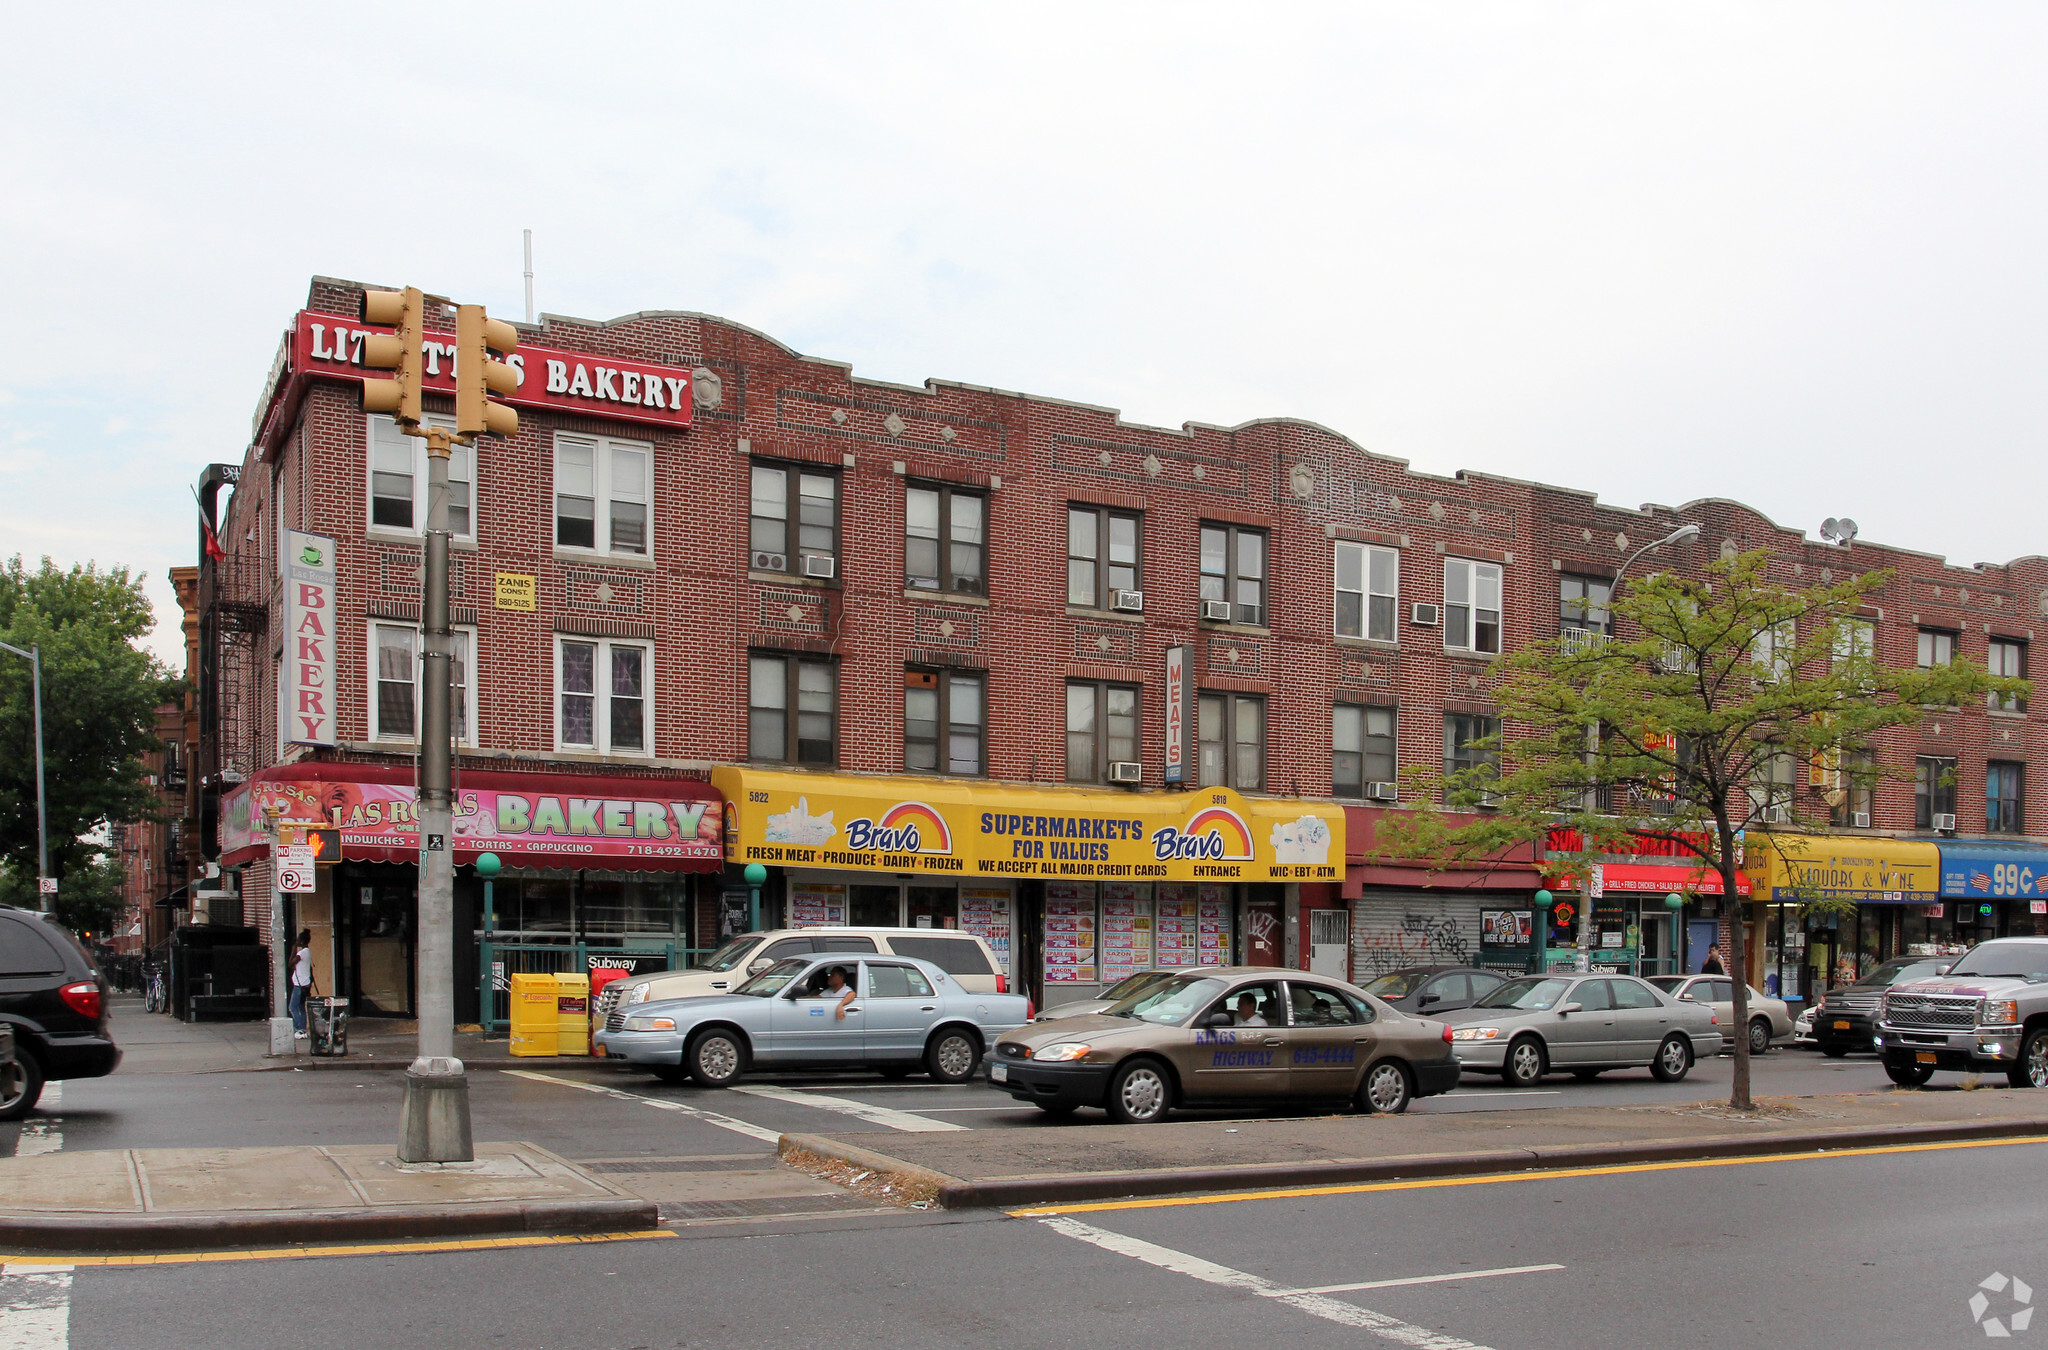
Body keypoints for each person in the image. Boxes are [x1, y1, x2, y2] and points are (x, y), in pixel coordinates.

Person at [289, 929, 314, 1040]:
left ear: (302, 941)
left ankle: (299, 1028)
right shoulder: (307, 952)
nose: (297, 941)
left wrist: (293, 950)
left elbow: (290, 963)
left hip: (299, 985)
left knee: (292, 1007)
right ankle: (303, 1030)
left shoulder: (302, 953)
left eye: (298, 940)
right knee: (301, 1007)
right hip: (305, 983)